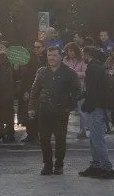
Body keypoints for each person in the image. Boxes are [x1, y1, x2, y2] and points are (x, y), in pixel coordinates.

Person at [29, 45, 81, 175]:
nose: (51, 58)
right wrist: (31, 107)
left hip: (61, 111)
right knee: (44, 139)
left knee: (60, 139)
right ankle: (47, 164)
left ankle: (59, 165)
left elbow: (77, 91)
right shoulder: (41, 71)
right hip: (44, 110)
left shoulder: (69, 72)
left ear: (61, 57)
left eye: (54, 55)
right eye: (49, 55)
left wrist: (69, 106)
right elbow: (34, 91)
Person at [80, 47, 114, 179]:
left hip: (96, 108)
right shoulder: (97, 67)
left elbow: (93, 91)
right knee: (93, 139)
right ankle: (96, 166)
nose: (82, 56)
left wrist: (86, 104)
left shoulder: (92, 69)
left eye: (83, 53)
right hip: (97, 107)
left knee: (97, 139)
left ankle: (107, 168)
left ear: (88, 55)